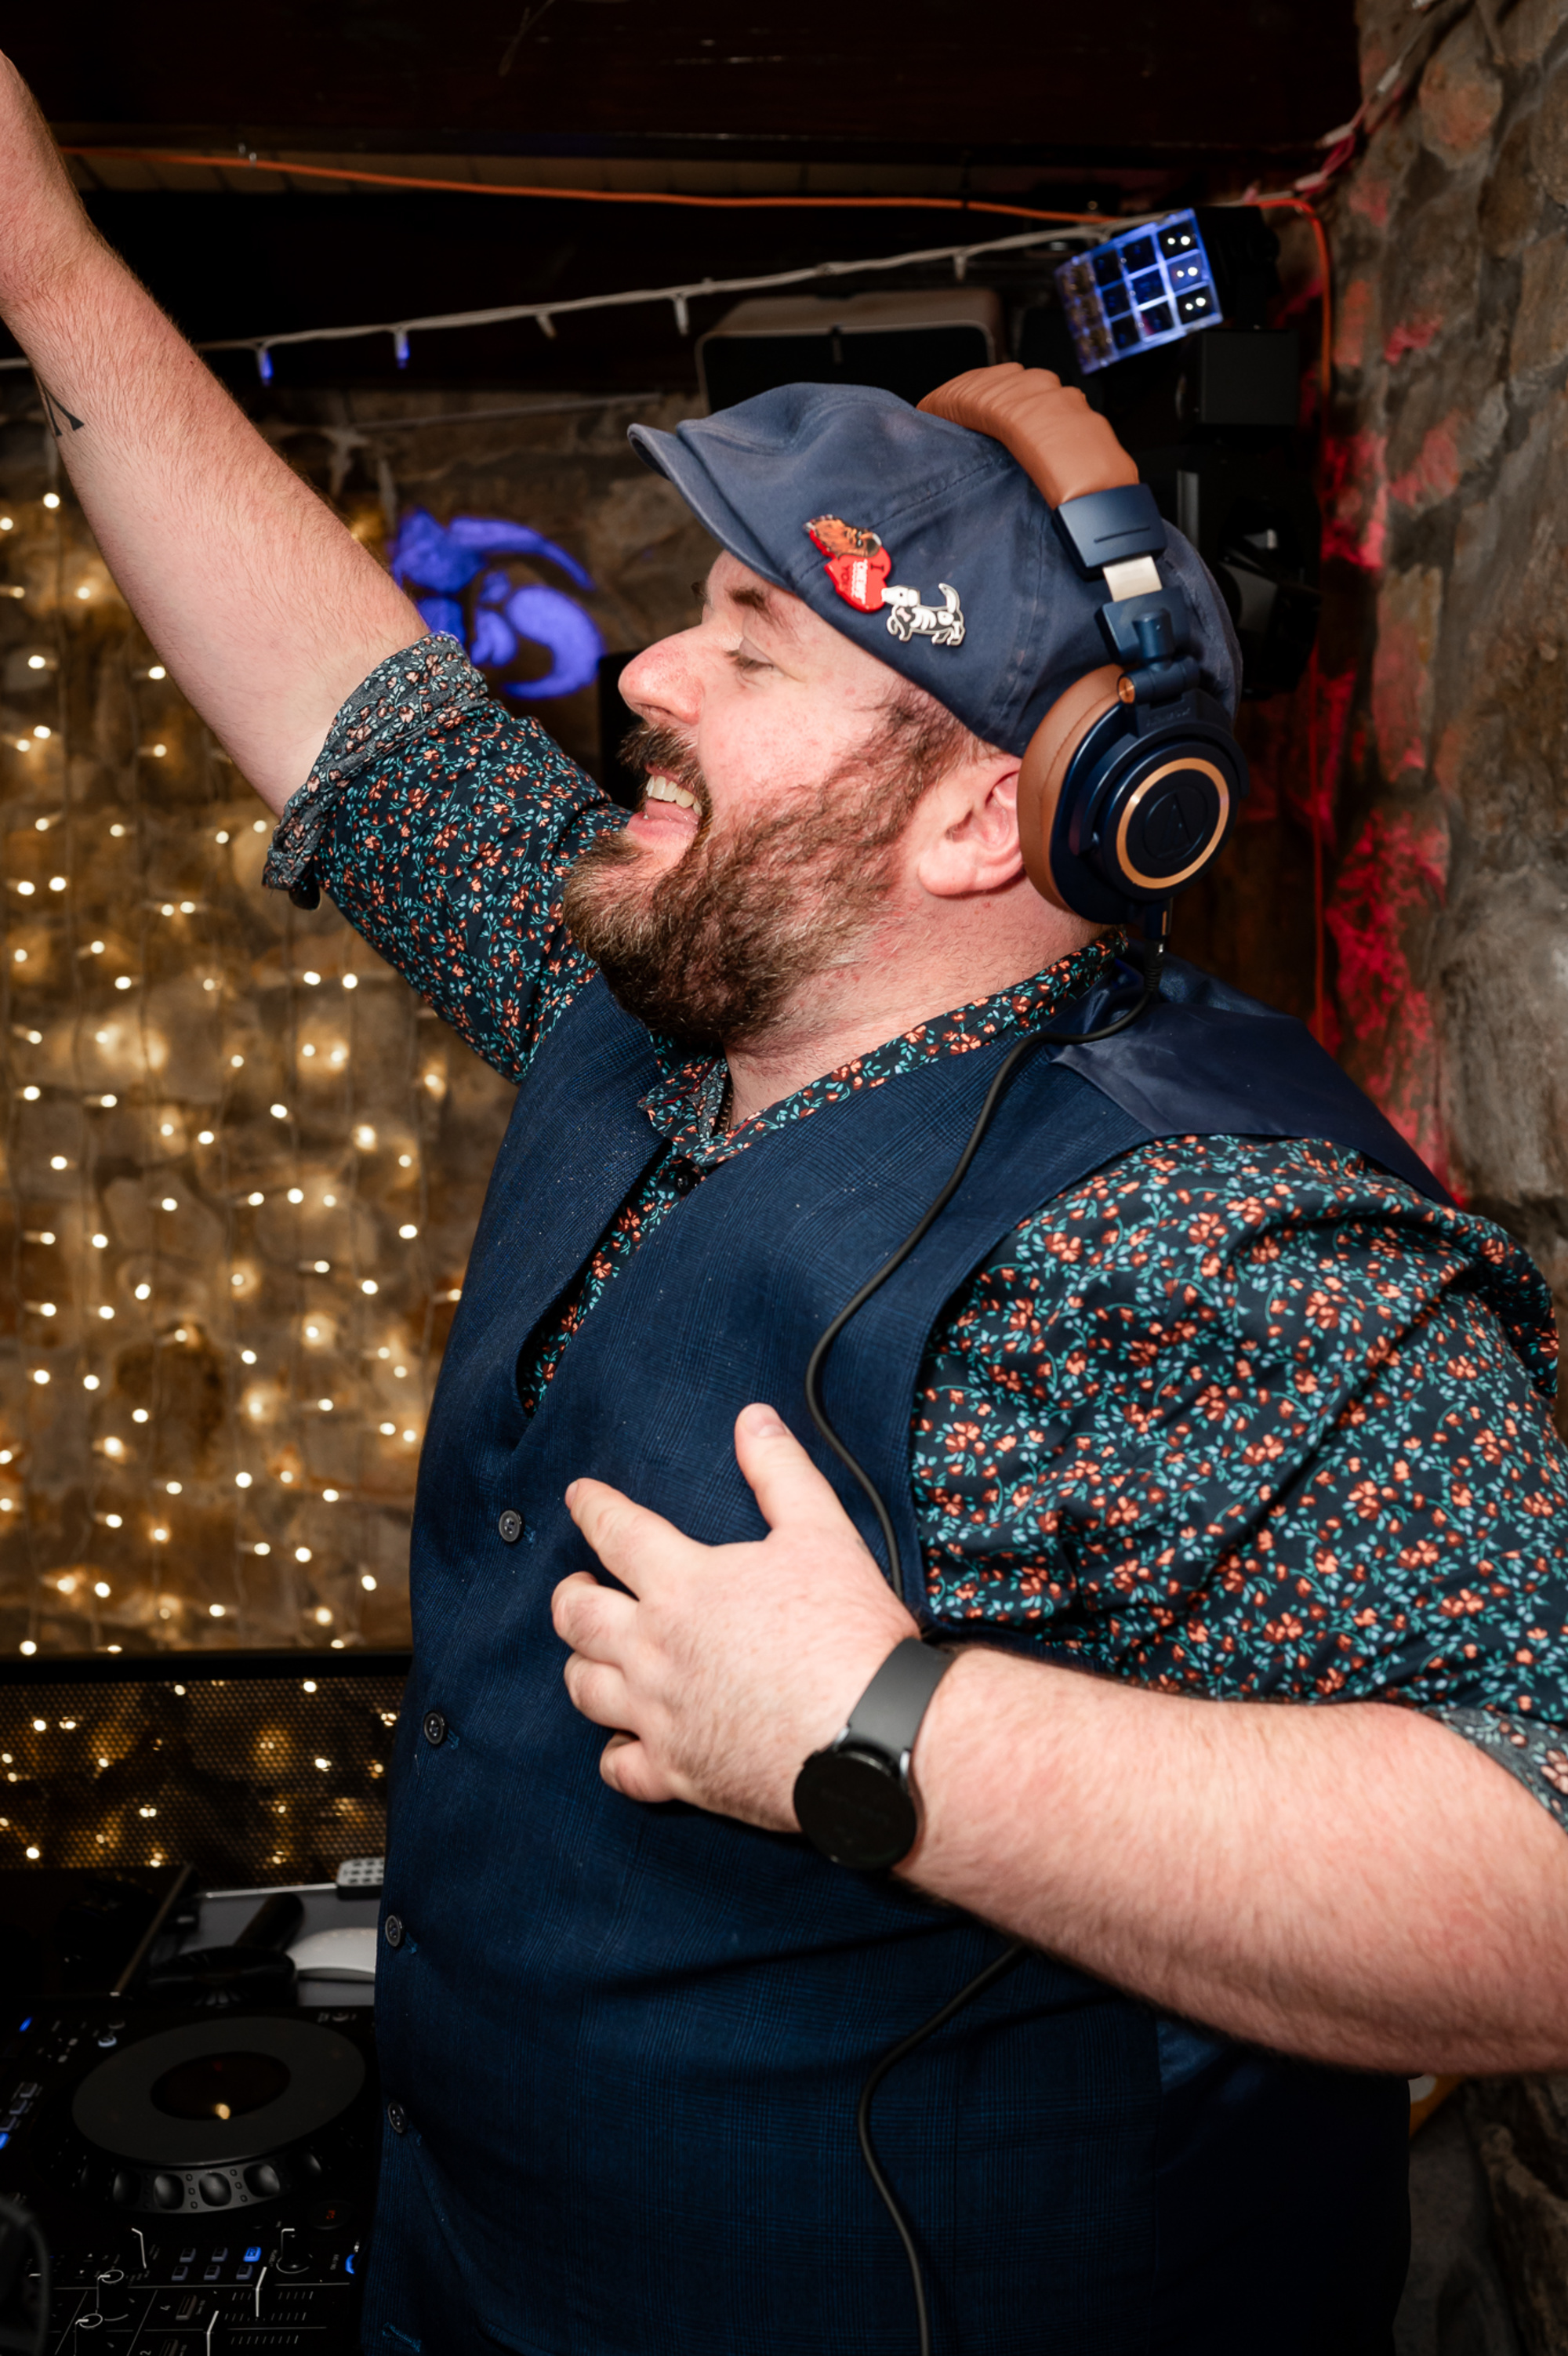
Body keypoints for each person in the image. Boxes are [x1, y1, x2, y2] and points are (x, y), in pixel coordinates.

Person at [4, 53, 1568, 2356]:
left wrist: (879, 1728)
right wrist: (42, 262)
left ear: (972, 822)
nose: (643, 668)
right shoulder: (648, 995)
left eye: (750, 644)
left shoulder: (1188, 1234)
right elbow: (354, 711)